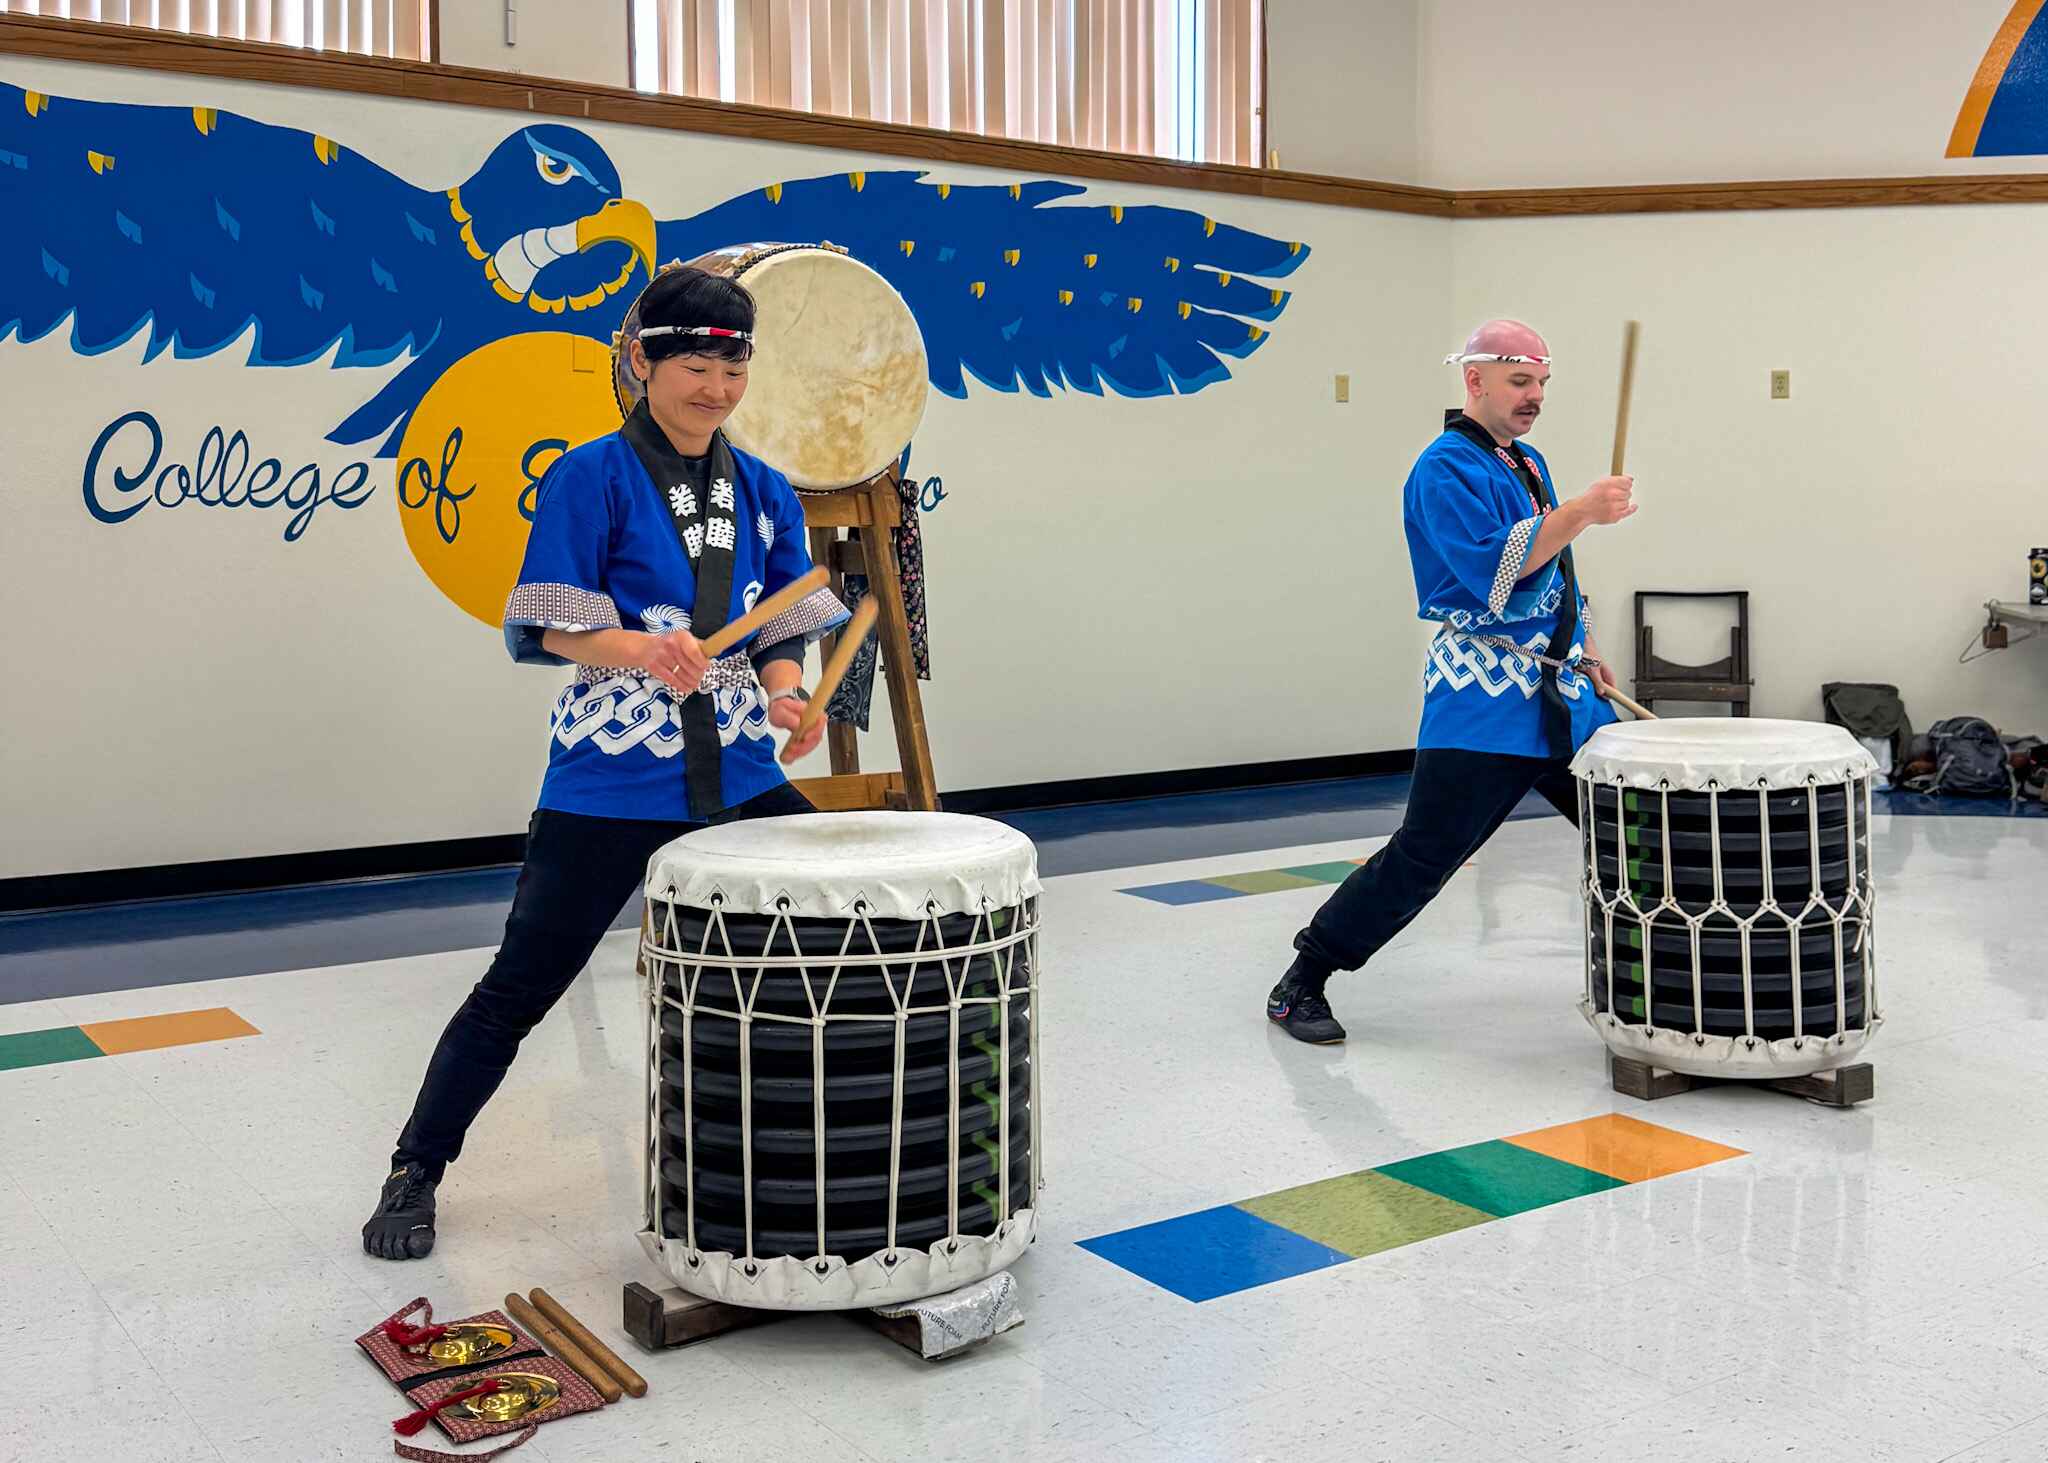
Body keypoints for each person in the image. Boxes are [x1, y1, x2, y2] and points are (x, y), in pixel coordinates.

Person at [364, 265, 848, 1258]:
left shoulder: (758, 487)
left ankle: (807, 1150)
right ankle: (416, 1163)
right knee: (521, 983)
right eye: (693, 363)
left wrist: (790, 690)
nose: (714, 386)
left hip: (741, 767)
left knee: (835, 928)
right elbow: (547, 624)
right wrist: (635, 646)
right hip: (613, 766)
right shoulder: (592, 474)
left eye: (732, 364)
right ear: (642, 361)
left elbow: (780, 628)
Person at [1265, 319, 1636, 1045]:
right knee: (1426, 854)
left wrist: (1587, 643)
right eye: (1520, 381)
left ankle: (1648, 975)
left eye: (1542, 383)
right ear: (1476, 380)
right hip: (1485, 699)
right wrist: (1582, 513)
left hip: (1564, 696)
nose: (1534, 397)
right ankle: (1304, 977)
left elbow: (1561, 569)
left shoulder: (1527, 463)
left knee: (1632, 832)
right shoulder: (1442, 468)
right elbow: (1497, 574)